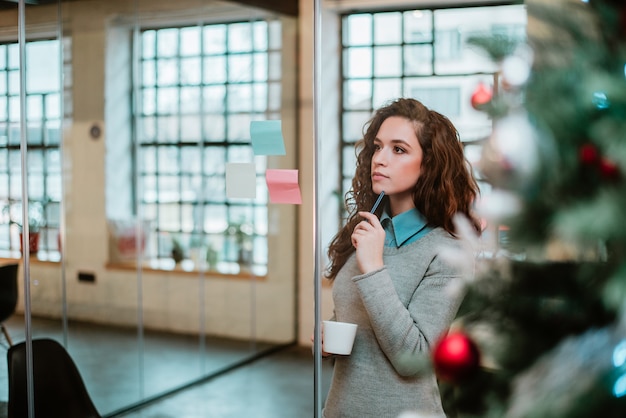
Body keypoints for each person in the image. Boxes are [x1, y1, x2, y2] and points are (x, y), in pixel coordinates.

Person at [319, 98, 482, 418]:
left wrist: (374, 266)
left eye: (398, 149)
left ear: (428, 164)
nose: (379, 159)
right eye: (377, 147)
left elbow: (415, 356)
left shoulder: (447, 251)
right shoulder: (367, 231)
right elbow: (359, 322)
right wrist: (328, 338)